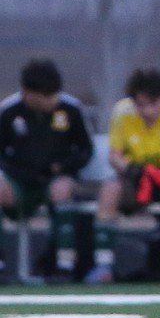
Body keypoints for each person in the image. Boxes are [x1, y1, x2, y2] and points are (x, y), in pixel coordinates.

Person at [84, 68, 160, 284]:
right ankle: (104, 267)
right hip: (135, 180)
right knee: (110, 188)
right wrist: (132, 170)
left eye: (151, 104)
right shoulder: (122, 113)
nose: (145, 110)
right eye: (140, 104)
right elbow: (114, 156)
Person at [0, 59, 94, 283]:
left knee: (62, 190)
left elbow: (85, 150)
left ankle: (64, 266)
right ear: (28, 93)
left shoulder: (70, 110)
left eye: (54, 94)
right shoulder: (9, 112)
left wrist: (64, 167)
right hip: (20, 183)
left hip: (55, 180)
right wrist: (13, 172)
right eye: (46, 96)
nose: (52, 101)